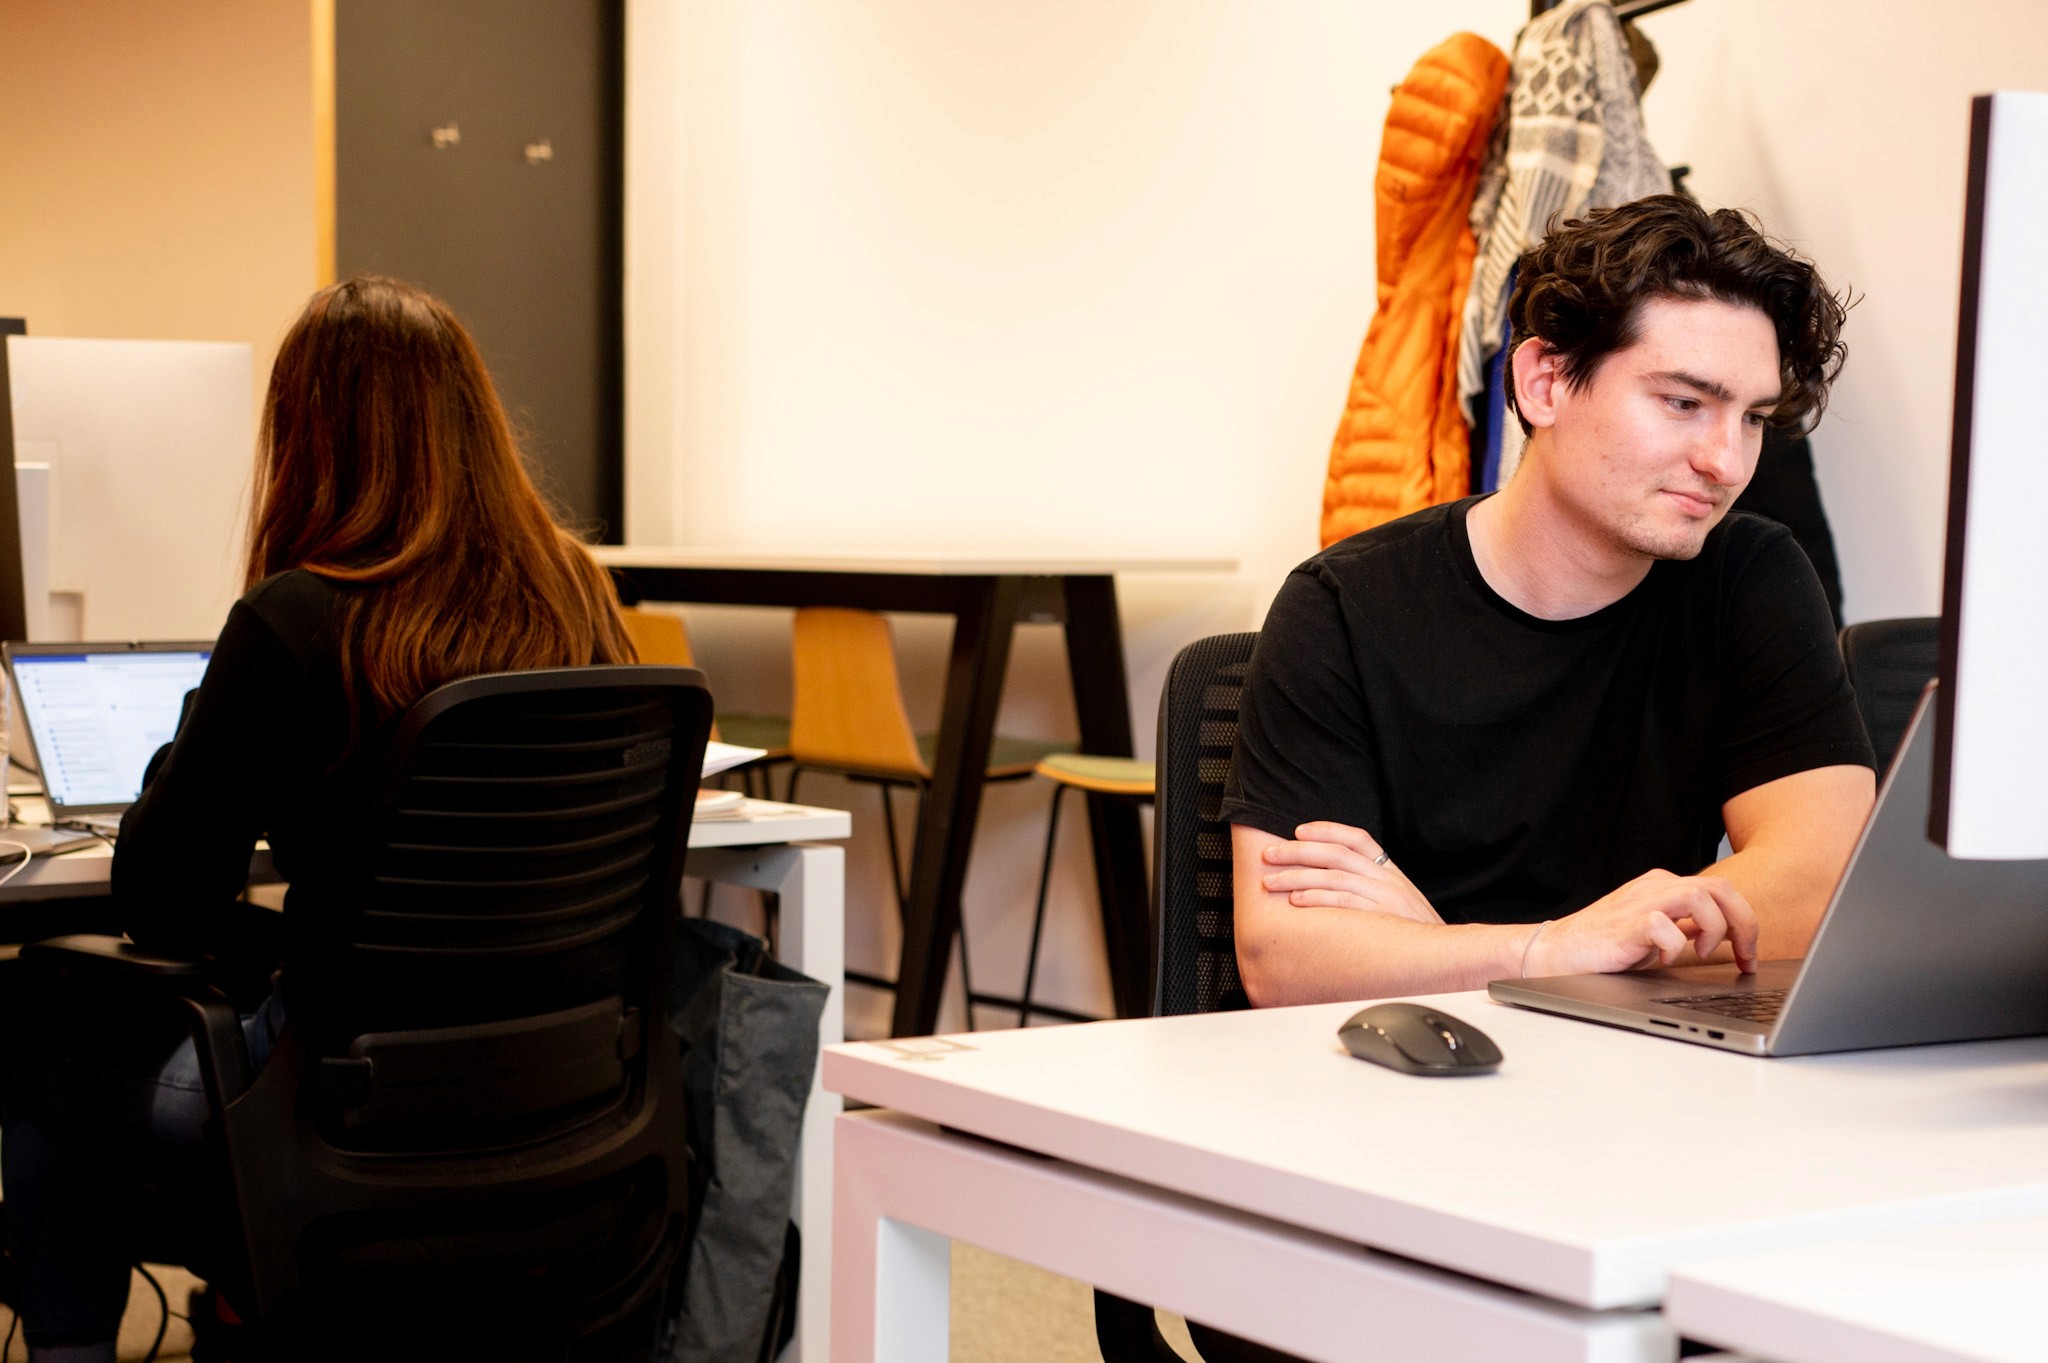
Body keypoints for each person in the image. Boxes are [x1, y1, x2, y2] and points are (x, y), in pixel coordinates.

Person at [1, 276, 636, 1362]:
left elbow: (159, 901)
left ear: (306, 436)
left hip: (343, 1111)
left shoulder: (298, 618)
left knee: (36, 1028)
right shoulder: (578, 596)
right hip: (565, 1101)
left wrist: (200, 724)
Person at [1223, 195, 1877, 1007]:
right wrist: (1549, 950)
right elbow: (1283, 959)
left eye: (1750, 418)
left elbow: (1825, 890)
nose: (1725, 459)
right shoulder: (1342, 607)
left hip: (1636, 1083)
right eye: (1683, 402)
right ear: (1543, 382)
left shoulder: (1752, 577)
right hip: (1397, 1091)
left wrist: (1439, 947)